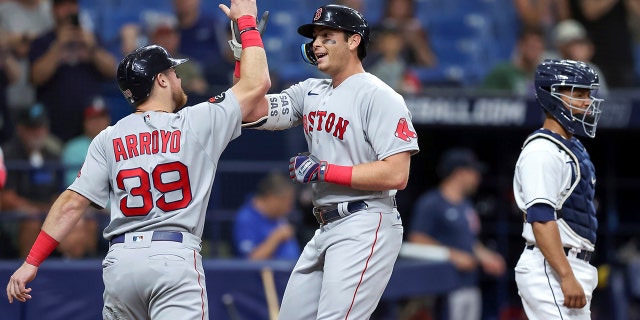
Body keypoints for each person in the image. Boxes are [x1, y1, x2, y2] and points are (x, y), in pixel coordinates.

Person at [6, 0, 271, 319]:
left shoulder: (109, 136)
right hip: (173, 257)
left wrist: (31, 262)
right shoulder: (193, 123)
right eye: (173, 72)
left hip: (121, 262)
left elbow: (71, 204)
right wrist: (247, 26)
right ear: (160, 80)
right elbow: (256, 87)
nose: (178, 78)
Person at [237, 4, 420, 319]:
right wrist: (245, 52)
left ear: (353, 41)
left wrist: (325, 170)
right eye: (315, 37)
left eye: (326, 36)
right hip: (324, 226)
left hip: (365, 219)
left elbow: (397, 173)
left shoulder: (380, 96)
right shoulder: (309, 91)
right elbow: (249, 110)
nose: (316, 44)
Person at [513, 59, 604, 319]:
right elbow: (540, 219)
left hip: (567, 263)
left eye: (588, 94)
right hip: (551, 267)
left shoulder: (570, 146)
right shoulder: (542, 150)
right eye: (579, 93)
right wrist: (565, 274)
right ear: (553, 96)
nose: (587, 102)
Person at [407, 148, 506, 320]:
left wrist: (485, 256)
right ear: (459, 173)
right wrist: (452, 255)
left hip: (470, 283)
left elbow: (469, 241)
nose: (477, 177)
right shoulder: (431, 203)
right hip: (444, 288)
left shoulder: (466, 204)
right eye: (473, 172)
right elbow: (416, 239)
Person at [28, 0, 116, 142]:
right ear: (53, 10)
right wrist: (58, 45)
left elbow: (111, 70)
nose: (69, 10)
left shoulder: (90, 38)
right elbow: (36, 77)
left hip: (91, 124)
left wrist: (92, 48)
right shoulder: (43, 41)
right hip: (55, 125)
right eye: (63, 5)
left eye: (72, 4)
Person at [0, 103, 62, 259]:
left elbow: (59, 194)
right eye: (31, 128)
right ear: (20, 129)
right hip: (15, 215)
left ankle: (72, 271)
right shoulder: (8, 154)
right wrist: (34, 210)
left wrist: (50, 211)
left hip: (46, 212)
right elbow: (6, 199)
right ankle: (25, 272)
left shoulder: (52, 155)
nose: (36, 132)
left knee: (79, 224)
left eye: (40, 127)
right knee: (32, 223)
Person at [232, 172, 300, 260]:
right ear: (272, 197)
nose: (289, 209)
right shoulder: (245, 218)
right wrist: (277, 237)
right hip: (266, 273)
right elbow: (251, 260)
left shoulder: (279, 217)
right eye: (287, 203)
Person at [481, 26, 546, 97]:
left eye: (538, 48)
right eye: (531, 47)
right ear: (521, 45)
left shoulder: (542, 77)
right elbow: (484, 99)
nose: (534, 52)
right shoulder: (502, 72)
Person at [551, 19, 609, 96]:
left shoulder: (593, 69)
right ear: (560, 46)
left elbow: (604, 99)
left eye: (580, 43)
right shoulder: (552, 66)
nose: (578, 48)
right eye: (571, 44)